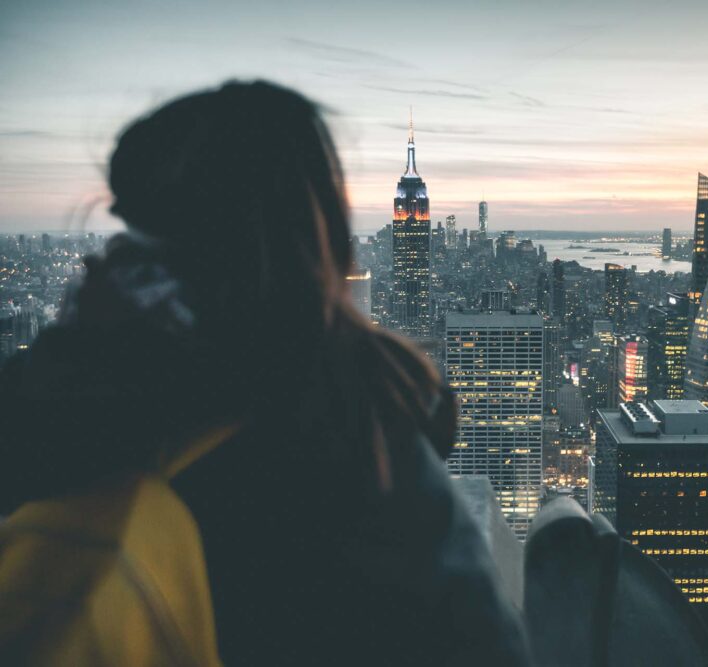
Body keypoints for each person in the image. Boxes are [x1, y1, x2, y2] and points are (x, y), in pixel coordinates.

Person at [0, 80, 529, 665]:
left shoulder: (93, 406)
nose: (115, 257)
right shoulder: (368, 418)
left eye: (144, 229)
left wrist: (70, 356)